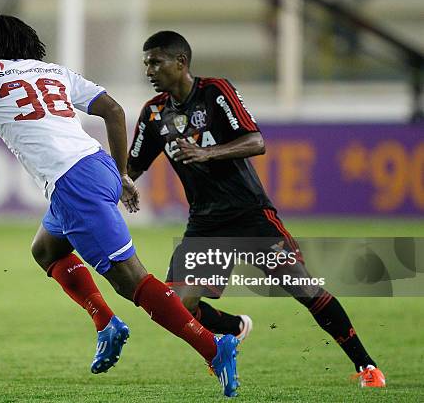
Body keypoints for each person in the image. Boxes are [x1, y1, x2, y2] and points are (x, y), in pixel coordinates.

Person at [0, 15, 240, 397]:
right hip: (93, 168)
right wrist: (121, 175)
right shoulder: (53, 71)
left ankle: (214, 346)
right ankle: (106, 323)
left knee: (133, 282)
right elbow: (113, 111)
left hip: (73, 183)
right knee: (45, 249)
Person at [127, 30, 385, 388]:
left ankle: (367, 367)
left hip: (250, 215)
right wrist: (122, 184)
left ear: (180, 62)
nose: (149, 70)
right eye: (146, 64)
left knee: (304, 290)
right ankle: (233, 328)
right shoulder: (155, 113)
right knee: (177, 305)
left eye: (155, 62)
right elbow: (133, 166)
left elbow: (256, 141)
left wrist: (206, 153)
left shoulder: (214, 92)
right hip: (205, 224)